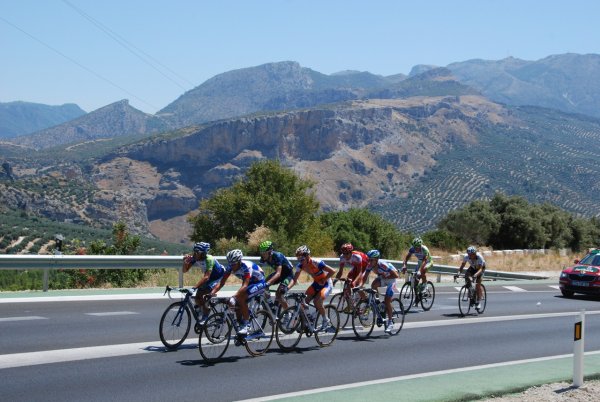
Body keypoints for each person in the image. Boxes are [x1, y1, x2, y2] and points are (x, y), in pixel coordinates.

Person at [213, 249, 267, 335]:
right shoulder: (230, 267)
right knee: (237, 303)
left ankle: (246, 325)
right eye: (230, 263)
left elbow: (245, 285)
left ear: (239, 261)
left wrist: (234, 297)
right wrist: (211, 293)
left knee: (240, 298)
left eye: (234, 264)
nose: (232, 266)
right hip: (249, 282)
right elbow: (221, 283)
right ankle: (241, 322)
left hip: (259, 282)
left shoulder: (246, 267)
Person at [289, 245, 336, 331]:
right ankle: (307, 322)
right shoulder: (300, 266)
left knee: (317, 301)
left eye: (302, 259)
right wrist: (287, 288)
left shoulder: (316, 262)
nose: (300, 261)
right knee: (303, 302)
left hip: (326, 284)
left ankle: (326, 320)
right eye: (298, 259)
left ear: (307, 256)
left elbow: (333, 271)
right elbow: (294, 279)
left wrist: (324, 279)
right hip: (316, 284)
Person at [182, 242, 226, 324]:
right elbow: (185, 270)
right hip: (210, 277)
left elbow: (206, 277)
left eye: (197, 252)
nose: (195, 254)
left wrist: (194, 287)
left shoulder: (209, 259)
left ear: (203, 253)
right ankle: (201, 307)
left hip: (218, 277)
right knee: (198, 296)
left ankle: (206, 315)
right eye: (194, 251)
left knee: (202, 293)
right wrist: (185, 262)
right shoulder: (195, 257)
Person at [360, 249, 399, 334]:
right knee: (373, 286)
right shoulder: (370, 265)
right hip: (383, 278)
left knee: (387, 300)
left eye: (371, 260)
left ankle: (390, 322)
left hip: (391, 280)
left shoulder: (382, 265)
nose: (369, 262)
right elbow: (365, 276)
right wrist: (360, 285)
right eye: (368, 260)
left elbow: (396, 275)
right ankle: (377, 302)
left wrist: (385, 277)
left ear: (377, 259)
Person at [259, 240, 294, 312]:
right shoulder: (263, 258)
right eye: (261, 253)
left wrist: (268, 283)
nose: (262, 255)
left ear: (270, 252)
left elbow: (278, 273)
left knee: (279, 294)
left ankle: (288, 313)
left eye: (264, 253)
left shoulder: (278, 256)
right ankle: (271, 305)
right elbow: (259, 269)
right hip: (279, 273)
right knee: (263, 284)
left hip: (287, 274)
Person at [334, 242, 369, 311]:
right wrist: (335, 279)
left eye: (347, 253)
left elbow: (360, 273)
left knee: (357, 285)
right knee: (348, 282)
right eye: (344, 253)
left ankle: (367, 302)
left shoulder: (357, 257)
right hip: (356, 266)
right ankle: (351, 304)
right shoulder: (342, 257)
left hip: (365, 266)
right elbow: (340, 272)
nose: (345, 256)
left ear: (351, 252)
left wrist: (355, 282)